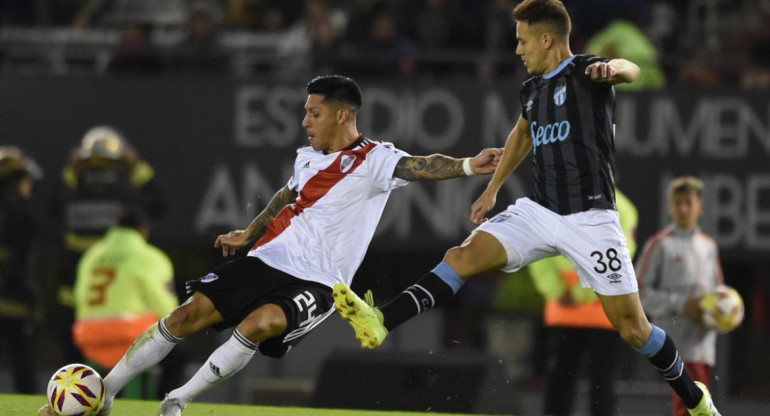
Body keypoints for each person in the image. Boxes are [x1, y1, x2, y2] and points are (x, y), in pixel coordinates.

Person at [332, 1, 720, 415]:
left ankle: (696, 400)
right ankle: (383, 321)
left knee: (633, 328)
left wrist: (614, 69)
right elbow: (522, 133)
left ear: (546, 39)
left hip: (591, 219)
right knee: (461, 256)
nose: (517, 49)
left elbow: (632, 70)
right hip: (539, 210)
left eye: (522, 40)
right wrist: (493, 189)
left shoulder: (587, 72)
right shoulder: (532, 89)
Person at [37, 74, 502, 416]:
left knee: (262, 323)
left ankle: (179, 399)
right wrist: (248, 232)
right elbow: (287, 195)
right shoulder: (307, 157)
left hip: (321, 281)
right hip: (268, 258)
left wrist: (467, 166)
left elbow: (421, 165)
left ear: (342, 114)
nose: (304, 121)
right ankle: (107, 393)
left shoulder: (375, 159)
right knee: (185, 315)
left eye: (313, 113)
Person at [50, 125, 166, 364]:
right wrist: (136, 168)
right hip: (111, 296)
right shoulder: (126, 196)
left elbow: (52, 206)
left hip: (80, 289)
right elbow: (158, 202)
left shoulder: (74, 193)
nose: (100, 173)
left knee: (75, 354)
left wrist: (71, 173)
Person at [532, 188, 637, 416]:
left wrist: (561, 290)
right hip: (598, 308)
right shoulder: (622, 206)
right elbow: (537, 250)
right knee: (571, 375)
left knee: (591, 377)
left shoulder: (553, 199)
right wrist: (560, 290)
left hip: (594, 311)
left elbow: (623, 252)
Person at [636, 177, 723, 416]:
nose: (683, 208)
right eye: (677, 203)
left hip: (705, 343)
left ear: (700, 207)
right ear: (669, 207)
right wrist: (682, 305)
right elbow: (638, 293)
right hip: (676, 344)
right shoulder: (660, 245)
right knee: (690, 406)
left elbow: (720, 295)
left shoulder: (709, 246)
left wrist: (722, 315)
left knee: (694, 406)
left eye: (688, 202)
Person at [73, 210, 182, 399]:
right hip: (129, 335)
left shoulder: (92, 254)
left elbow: (79, 295)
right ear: (143, 231)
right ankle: (157, 403)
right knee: (178, 351)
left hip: (89, 335)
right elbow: (166, 307)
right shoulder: (150, 257)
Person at [0, 146, 43, 394]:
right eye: (26, 181)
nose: (29, 186)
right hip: (14, 301)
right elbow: (20, 265)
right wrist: (31, 300)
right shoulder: (22, 217)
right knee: (23, 362)